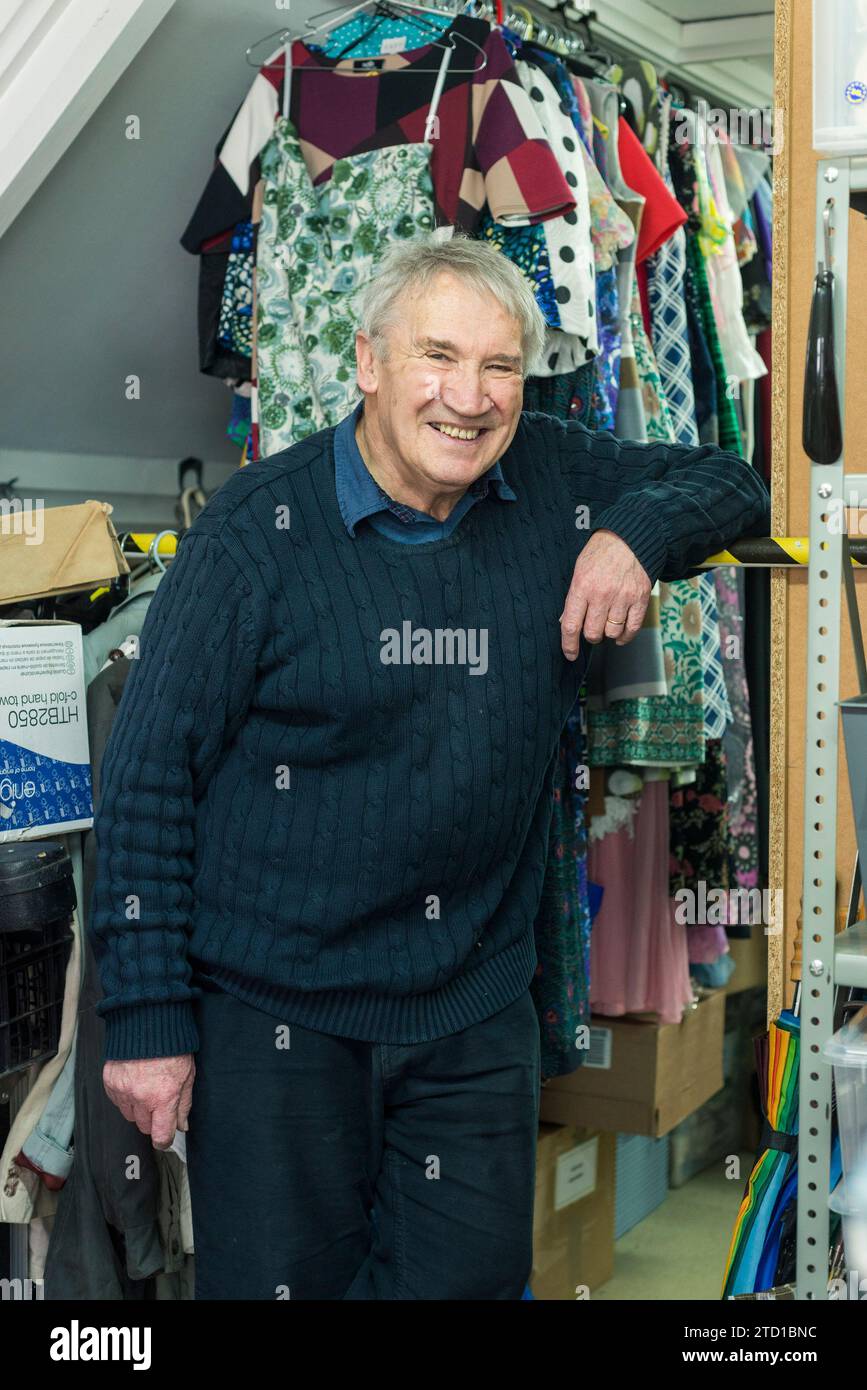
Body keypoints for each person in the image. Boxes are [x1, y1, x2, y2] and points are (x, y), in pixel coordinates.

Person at [90, 233, 771, 1300]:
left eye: (500, 366)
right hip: (279, 1021)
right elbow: (145, 783)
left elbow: (733, 479)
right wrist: (143, 1023)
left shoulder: (550, 473)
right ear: (369, 363)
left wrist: (636, 532)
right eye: (438, 357)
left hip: (469, 1016)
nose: (471, 396)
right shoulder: (253, 534)